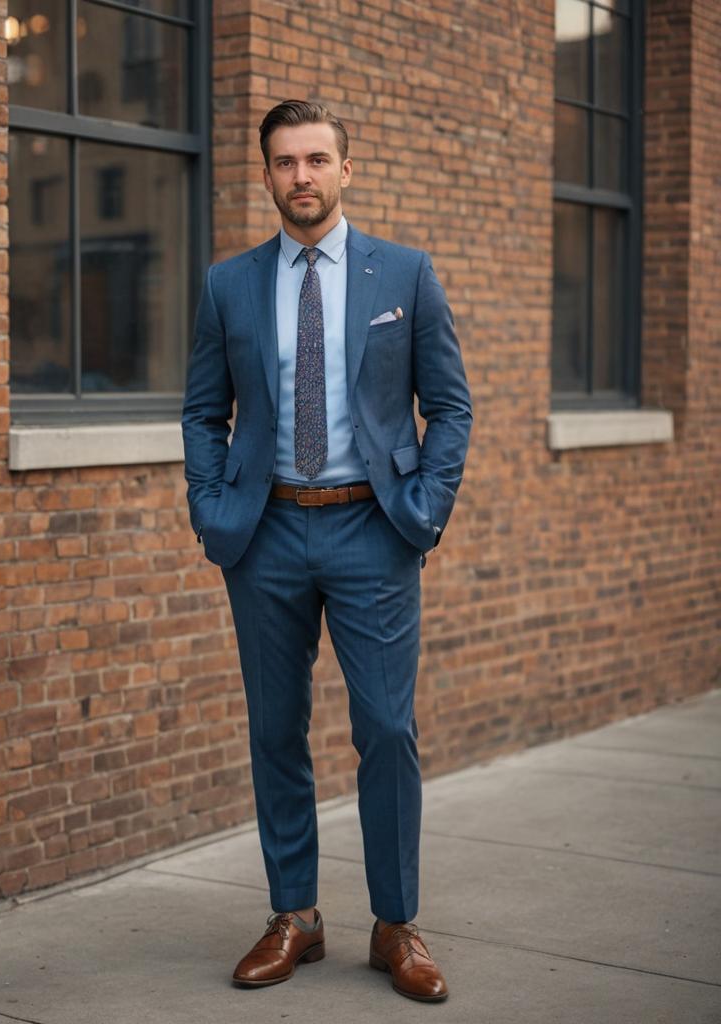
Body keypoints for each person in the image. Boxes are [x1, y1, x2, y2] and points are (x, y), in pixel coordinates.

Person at [181, 100, 472, 1003]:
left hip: (371, 530)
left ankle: (397, 925)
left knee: (386, 729)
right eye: (283, 163)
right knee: (276, 730)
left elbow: (450, 406)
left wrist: (420, 509)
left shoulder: (406, 275)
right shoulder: (229, 284)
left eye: (315, 160)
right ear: (265, 176)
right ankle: (295, 916)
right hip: (264, 531)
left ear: (347, 169)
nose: (300, 176)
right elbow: (202, 410)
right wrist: (210, 506)